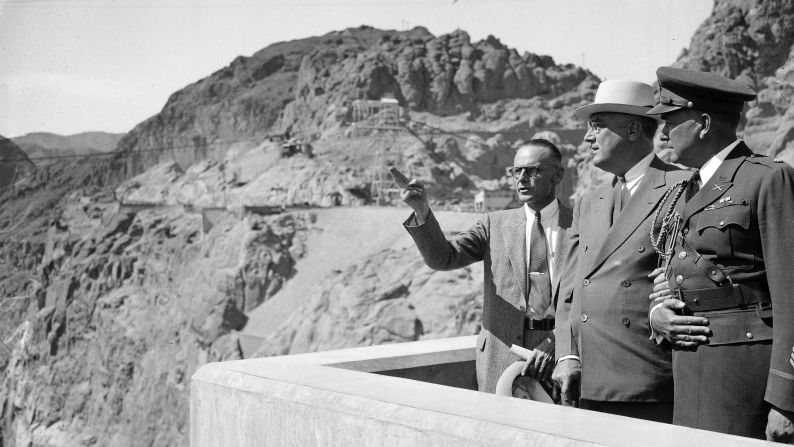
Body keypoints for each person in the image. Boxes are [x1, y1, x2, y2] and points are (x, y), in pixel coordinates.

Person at [647, 66, 794, 442]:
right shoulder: (686, 189)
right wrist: (658, 316)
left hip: (746, 375)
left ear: (704, 123)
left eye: (669, 120)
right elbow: (675, 277)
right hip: (691, 366)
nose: (661, 133)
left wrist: (786, 397)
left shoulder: (766, 178)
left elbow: (792, 294)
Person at [551, 80, 689, 422]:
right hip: (589, 381)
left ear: (631, 129)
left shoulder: (683, 186)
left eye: (597, 126)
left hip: (649, 381)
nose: (587, 137)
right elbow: (570, 290)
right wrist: (567, 355)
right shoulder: (588, 201)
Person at [400, 139, 572, 395]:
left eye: (533, 170)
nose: (521, 178)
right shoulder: (493, 225)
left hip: (559, 357)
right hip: (499, 356)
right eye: (516, 171)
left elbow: (590, 297)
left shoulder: (579, 224)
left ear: (557, 174)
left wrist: (558, 341)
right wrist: (423, 211)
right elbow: (444, 258)